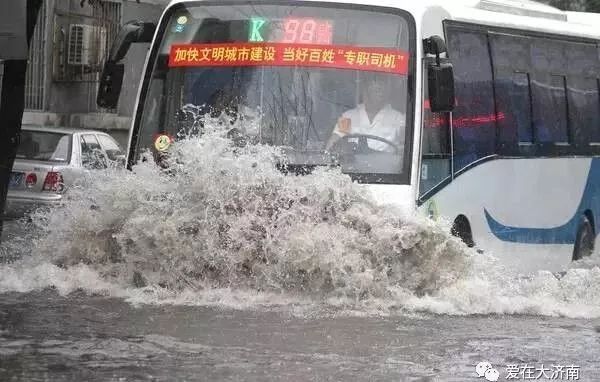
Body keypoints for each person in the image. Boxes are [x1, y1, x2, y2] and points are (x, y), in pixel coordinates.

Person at [325, 72, 405, 152]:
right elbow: (335, 138)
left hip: (387, 163)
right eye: (375, 90)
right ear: (365, 91)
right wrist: (328, 153)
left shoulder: (398, 118)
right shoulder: (347, 116)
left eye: (381, 90)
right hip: (354, 162)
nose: (379, 94)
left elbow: (404, 143)